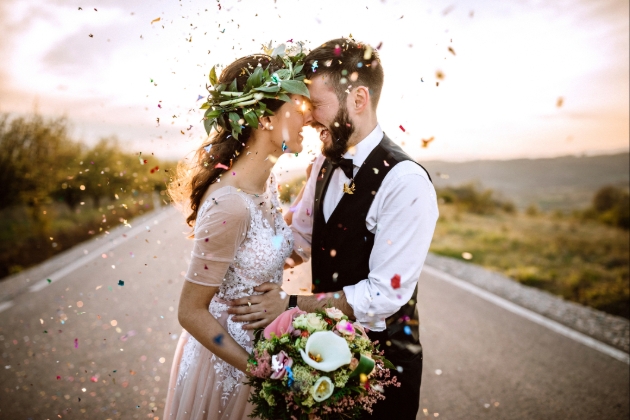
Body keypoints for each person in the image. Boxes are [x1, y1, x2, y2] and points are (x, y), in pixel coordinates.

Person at [227, 38, 439, 419]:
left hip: (380, 372)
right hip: (319, 357)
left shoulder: (406, 183)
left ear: (358, 99)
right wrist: (244, 245)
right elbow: (302, 239)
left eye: (317, 105)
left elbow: (383, 295)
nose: (307, 118)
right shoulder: (325, 162)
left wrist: (289, 305)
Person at [163, 51, 313, 419]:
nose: (308, 117)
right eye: (298, 105)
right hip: (230, 369)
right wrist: (259, 372)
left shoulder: (265, 184)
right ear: (263, 118)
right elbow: (190, 311)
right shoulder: (230, 205)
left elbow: (274, 254)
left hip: (266, 351)